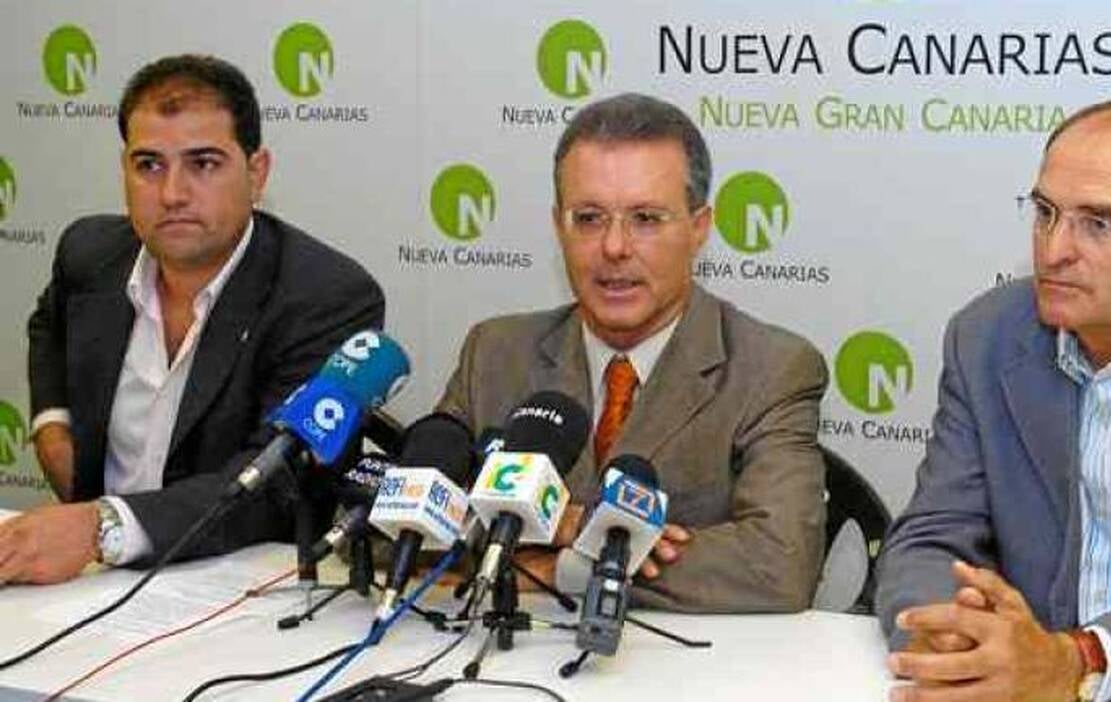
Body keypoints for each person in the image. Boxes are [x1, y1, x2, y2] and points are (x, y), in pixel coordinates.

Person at [875, 100, 1111, 700]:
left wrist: (1080, 659)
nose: (1053, 251)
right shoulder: (988, 336)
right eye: (1045, 213)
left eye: (1099, 223)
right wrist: (953, 638)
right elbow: (934, 535)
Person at [437, 92, 828, 612]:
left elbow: (777, 563)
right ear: (558, 227)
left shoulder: (772, 368)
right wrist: (567, 523)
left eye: (645, 218)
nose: (615, 247)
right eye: (589, 218)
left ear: (699, 229)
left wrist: (563, 566)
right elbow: (404, 529)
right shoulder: (495, 353)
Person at [2, 54, 384, 585]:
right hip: (87, 580)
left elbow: (276, 484)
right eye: (149, 165)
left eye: (203, 164)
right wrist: (51, 424)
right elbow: (48, 326)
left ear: (256, 173)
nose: (172, 194)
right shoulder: (88, 253)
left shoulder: (325, 297)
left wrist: (102, 527)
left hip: (229, 586)